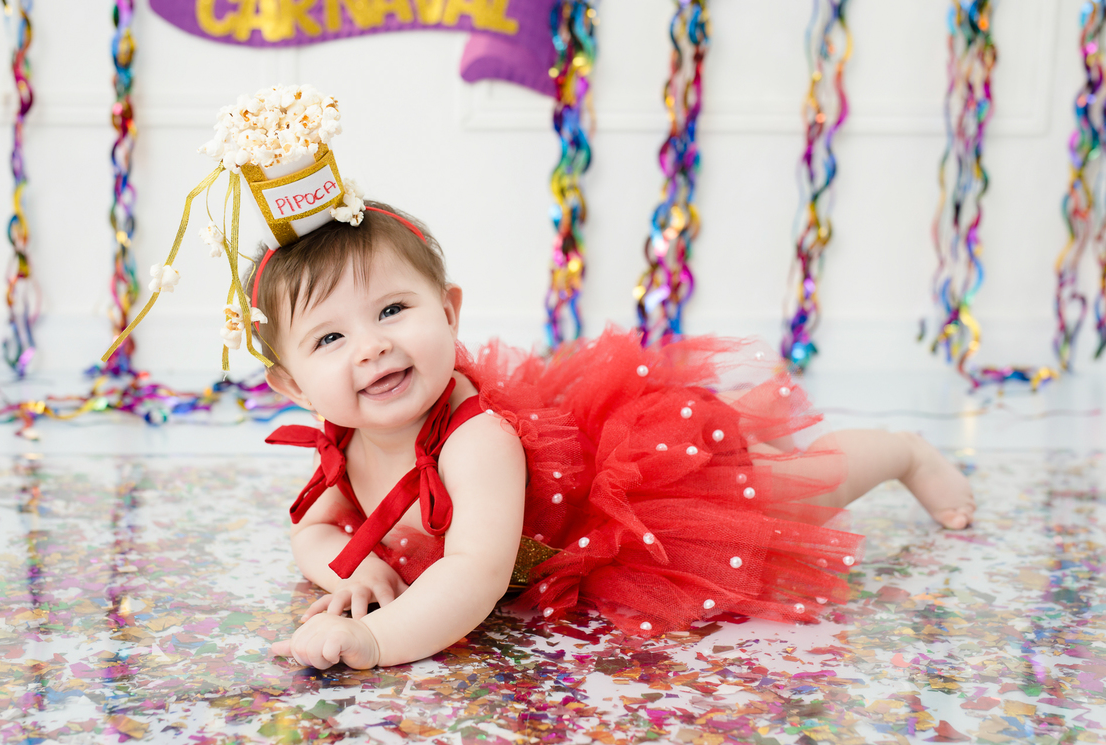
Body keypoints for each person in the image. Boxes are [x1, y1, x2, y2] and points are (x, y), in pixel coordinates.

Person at [256, 200, 976, 671]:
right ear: (290, 384)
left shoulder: (474, 442)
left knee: (786, 495)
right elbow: (313, 530)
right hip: (564, 523)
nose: (371, 348)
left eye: (391, 310)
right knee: (779, 484)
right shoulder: (343, 440)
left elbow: (473, 576)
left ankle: (900, 451)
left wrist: (377, 639)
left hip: (629, 501)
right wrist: (347, 569)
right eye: (329, 337)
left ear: (448, 312)